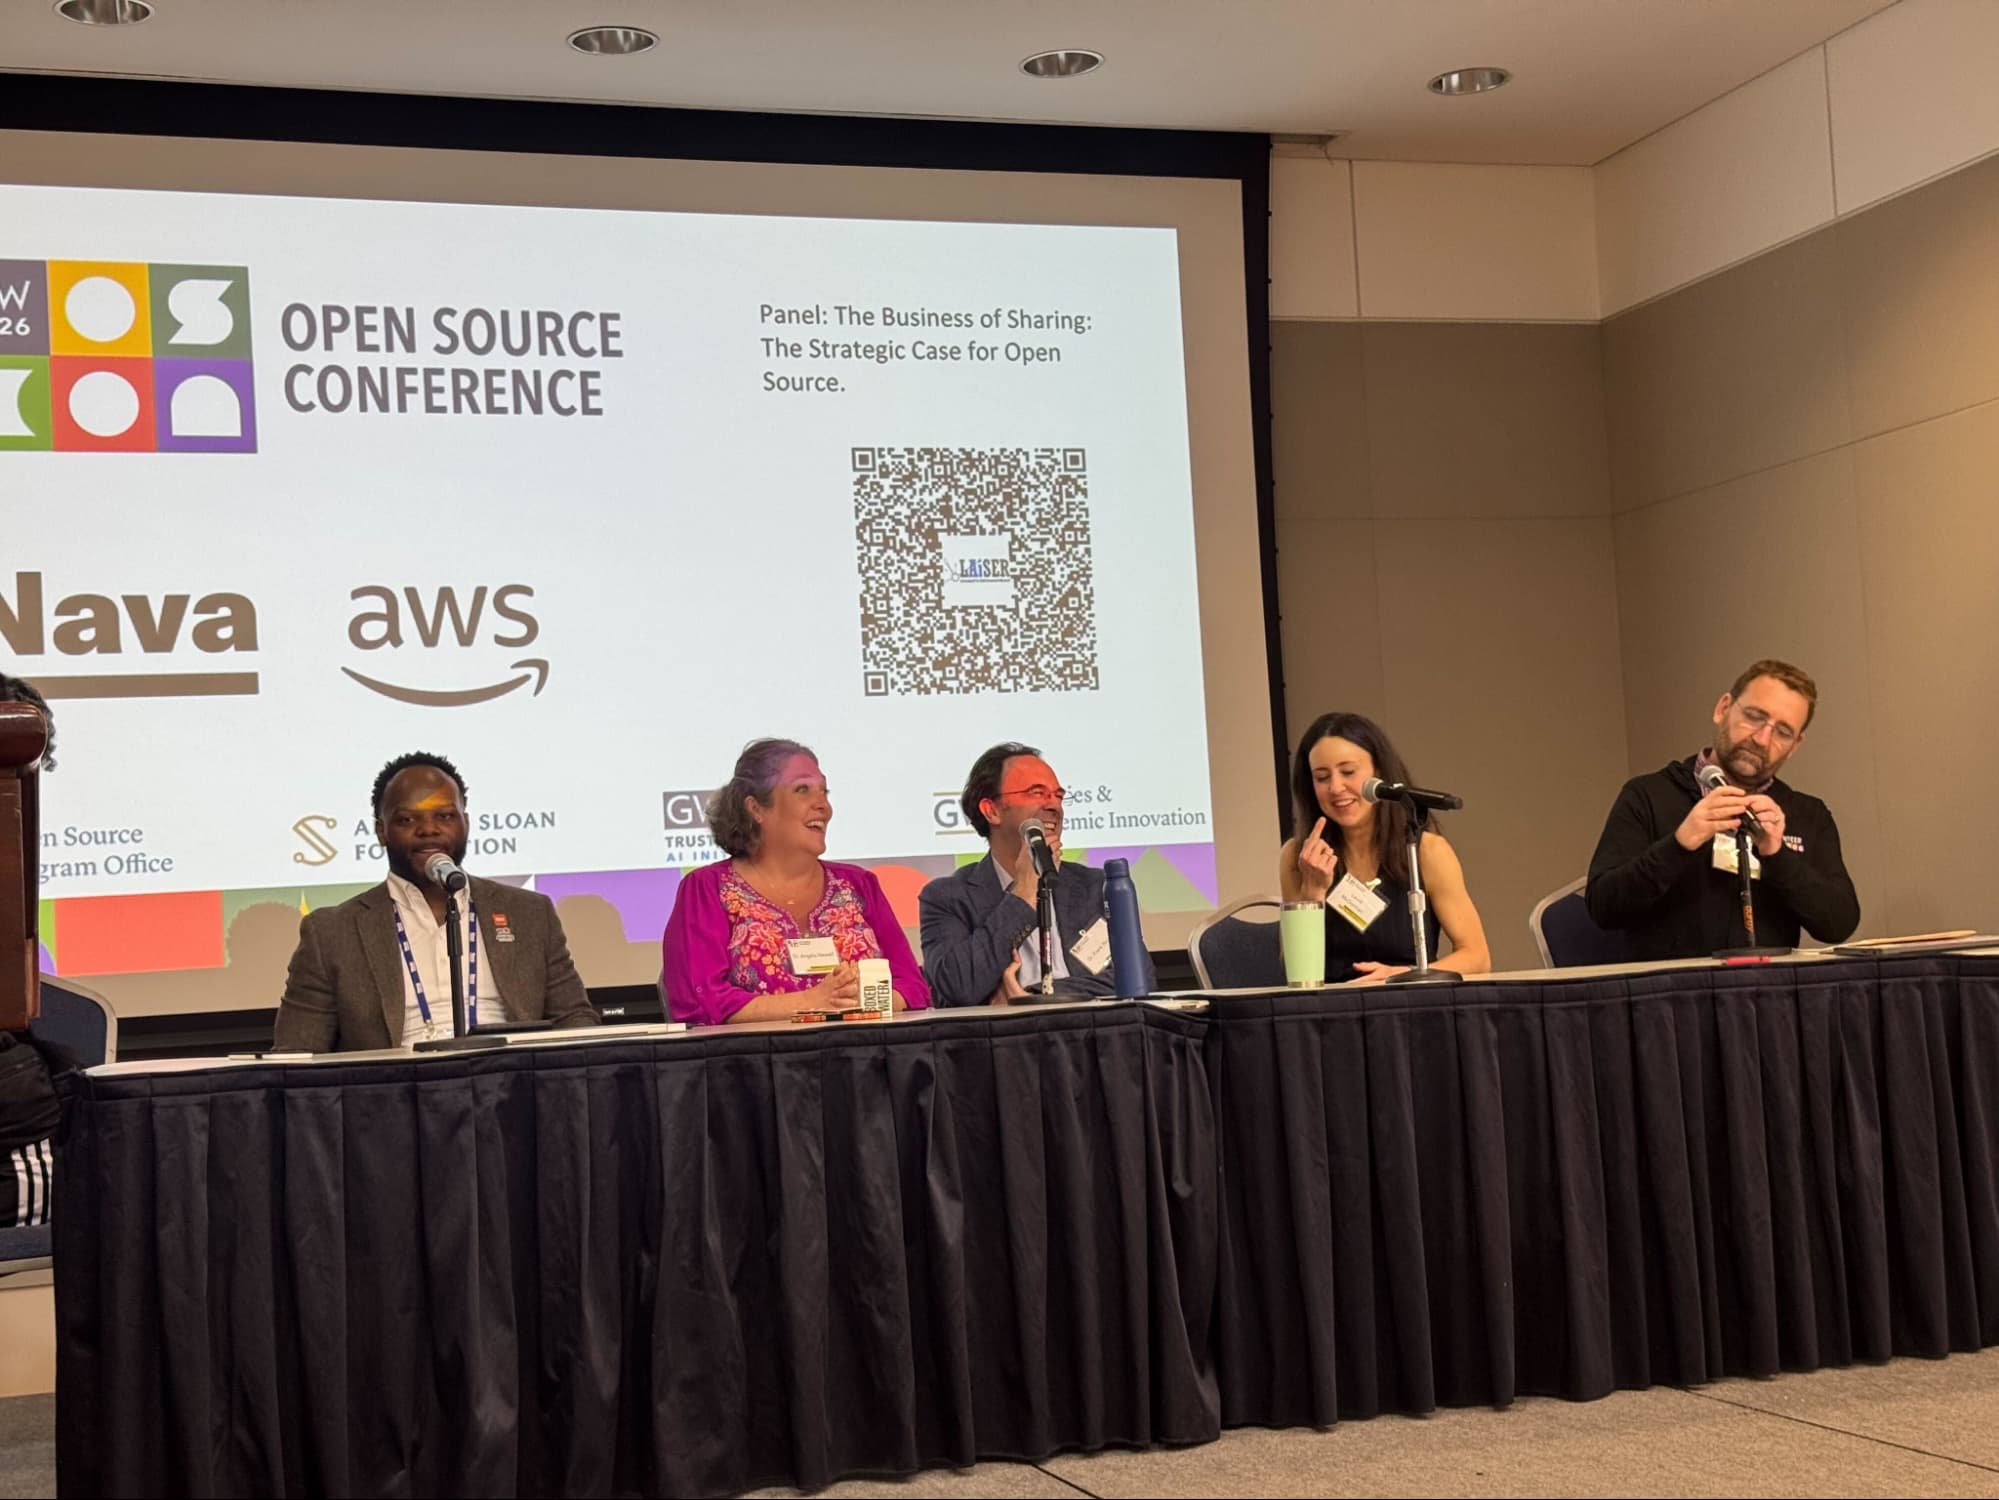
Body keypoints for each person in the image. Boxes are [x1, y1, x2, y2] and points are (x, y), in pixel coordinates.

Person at [272, 752, 599, 1051]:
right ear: (381, 831)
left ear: (465, 823)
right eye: (407, 820)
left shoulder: (530, 913)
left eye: (444, 816)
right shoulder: (331, 932)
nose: (428, 830)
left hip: (509, 1087)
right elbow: (296, 1056)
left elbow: (576, 1021)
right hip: (396, 1096)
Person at [1586, 659, 1859, 959]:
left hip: (1768, 994)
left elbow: (1838, 924)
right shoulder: (1648, 795)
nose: (1762, 739)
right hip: (1673, 995)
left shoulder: (1808, 814)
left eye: (1782, 732)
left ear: (1795, 745)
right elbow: (1603, 907)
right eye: (1755, 717)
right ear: (1723, 708)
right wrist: (1679, 845)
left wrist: (1777, 856)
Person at [660, 738, 930, 1025]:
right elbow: (701, 1004)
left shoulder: (859, 885)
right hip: (753, 1064)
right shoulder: (707, 889)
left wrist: (863, 1001)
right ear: (756, 808)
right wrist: (811, 1002)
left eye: (824, 792)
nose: (823, 807)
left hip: (862, 1061)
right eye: (803, 790)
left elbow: (913, 989)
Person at [920, 742, 1156, 1006]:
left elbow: (1137, 975)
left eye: (1058, 795)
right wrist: (1022, 894)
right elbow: (956, 987)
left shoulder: (1094, 887)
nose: (1054, 805)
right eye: (1037, 793)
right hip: (1005, 1041)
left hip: (1092, 1035)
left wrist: (1035, 995)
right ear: (992, 810)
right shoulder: (948, 897)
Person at [1277, 711, 1491, 983]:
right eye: (1322, 777)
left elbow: (1477, 956)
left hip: (1408, 1006)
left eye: (1348, 772)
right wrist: (1313, 891)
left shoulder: (1426, 851)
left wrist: (1405, 975)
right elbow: (1297, 976)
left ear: (1379, 773)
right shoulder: (1297, 857)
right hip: (1331, 1012)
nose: (1336, 787)